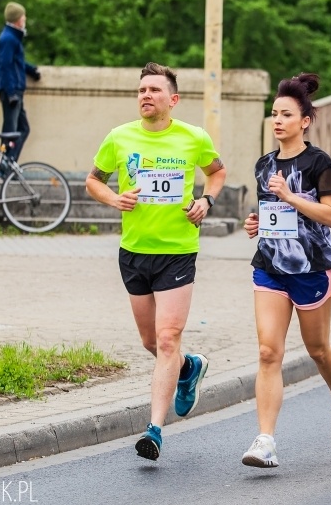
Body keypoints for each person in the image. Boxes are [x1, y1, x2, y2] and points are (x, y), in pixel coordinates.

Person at [86, 62, 226, 461]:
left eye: (154, 90)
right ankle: (188, 368)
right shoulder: (120, 137)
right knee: (150, 341)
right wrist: (114, 198)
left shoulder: (192, 137)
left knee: (167, 339)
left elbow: (217, 173)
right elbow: (93, 180)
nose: (146, 95)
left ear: (173, 100)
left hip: (177, 250)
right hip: (134, 251)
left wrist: (206, 201)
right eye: (142, 89)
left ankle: (155, 430)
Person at [240, 73, 331, 468]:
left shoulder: (318, 162)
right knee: (268, 351)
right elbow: (271, 214)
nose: (277, 121)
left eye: (286, 114)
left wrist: (290, 195)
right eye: (274, 114)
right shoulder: (264, 165)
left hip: (312, 269)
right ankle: (265, 440)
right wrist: (256, 223)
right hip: (270, 266)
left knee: (318, 350)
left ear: (304, 120)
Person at [0, 2, 40, 163]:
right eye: (23, 16)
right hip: (11, 91)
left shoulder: (12, 37)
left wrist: (30, 70)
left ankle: (9, 162)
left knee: (22, 129)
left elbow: (16, 62)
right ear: (17, 20)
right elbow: (4, 66)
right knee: (11, 130)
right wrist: (11, 93)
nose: (25, 19)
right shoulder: (8, 38)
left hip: (14, 90)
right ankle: (4, 166)